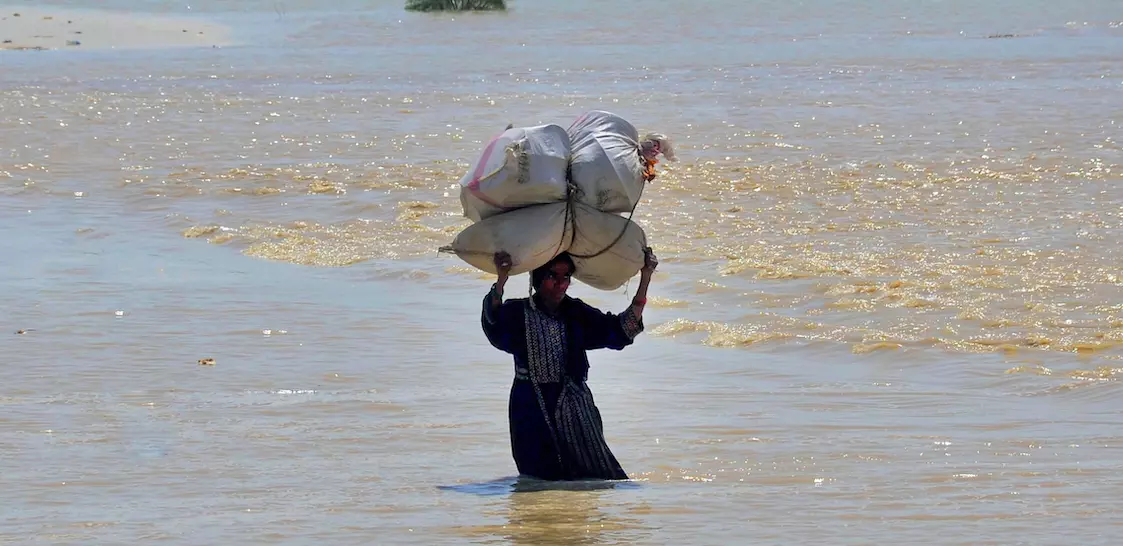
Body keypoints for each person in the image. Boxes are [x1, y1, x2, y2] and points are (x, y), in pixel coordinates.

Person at [481, 248, 658, 481]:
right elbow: (493, 324)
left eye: (566, 278)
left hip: (575, 409)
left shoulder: (576, 313)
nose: (560, 284)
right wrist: (501, 278)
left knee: (597, 478)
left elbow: (619, 331)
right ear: (538, 279)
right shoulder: (518, 313)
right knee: (537, 482)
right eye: (553, 276)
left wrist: (645, 277)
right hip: (530, 409)